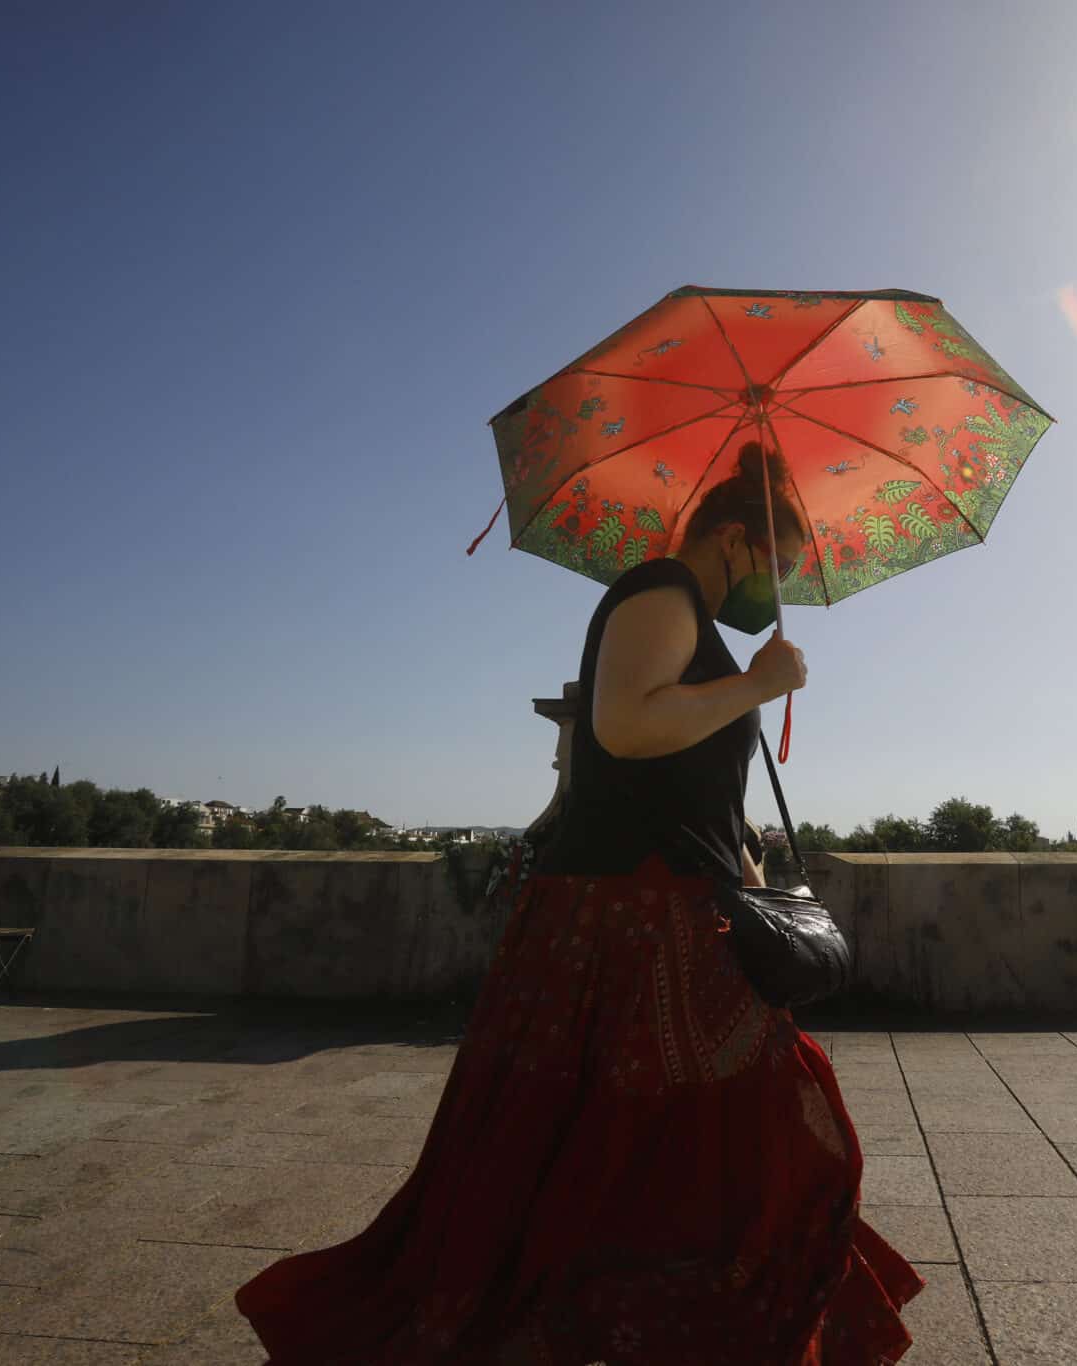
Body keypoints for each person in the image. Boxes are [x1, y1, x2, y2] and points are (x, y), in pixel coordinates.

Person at [236, 443, 922, 1363]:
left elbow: (690, 775)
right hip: (632, 917)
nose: (784, 583)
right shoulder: (659, 594)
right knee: (710, 1135)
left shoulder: (698, 620)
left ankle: (656, 1320)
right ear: (733, 540)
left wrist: (745, 848)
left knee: (654, 1139)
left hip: (678, 908)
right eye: (782, 561)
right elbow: (628, 726)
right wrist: (758, 686)